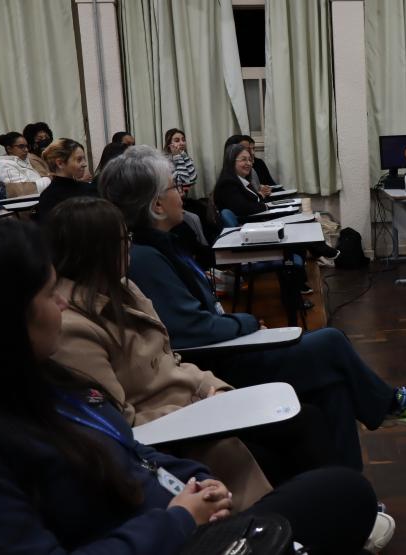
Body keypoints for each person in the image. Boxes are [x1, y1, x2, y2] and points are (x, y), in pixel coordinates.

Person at [0, 218, 379, 554]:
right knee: (319, 406)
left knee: (338, 472)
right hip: (169, 520)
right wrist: (180, 518)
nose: (62, 303)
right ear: (4, 315)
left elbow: (130, 446)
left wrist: (195, 477)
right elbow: (132, 422)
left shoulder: (48, 378)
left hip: (175, 496)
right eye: (49, 293)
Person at [100, 146, 406, 471]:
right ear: (157, 206)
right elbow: (191, 330)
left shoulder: (163, 246)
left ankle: (355, 495)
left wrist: (237, 324)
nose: (182, 191)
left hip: (227, 350)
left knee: (334, 385)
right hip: (216, 369)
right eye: (174, 186)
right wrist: (246, 323)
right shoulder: (147, 258)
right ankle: (386, 404)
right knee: (330, 342)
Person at [45, 196, 338, 488]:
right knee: (292, 433)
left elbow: (172, 361)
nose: (129, 246)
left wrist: (217, 391)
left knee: (305, 417)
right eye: (123, 239)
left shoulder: (124, 289)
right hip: (174, 436)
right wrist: (199, 410)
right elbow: (118, 422)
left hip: (198, 405)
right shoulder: (73, 328)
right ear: (96, 250)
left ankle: (344, 510)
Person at [35, 138, 96, 221]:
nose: (84, 164)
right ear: (60, 163)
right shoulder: (50, 198)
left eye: (84, 159)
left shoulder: (47, 196)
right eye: (79, 160)